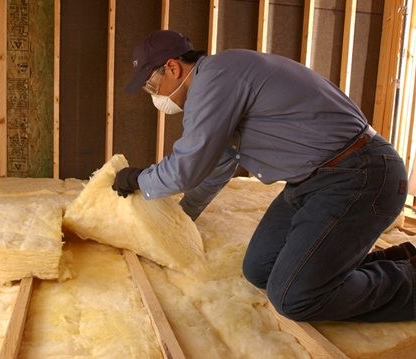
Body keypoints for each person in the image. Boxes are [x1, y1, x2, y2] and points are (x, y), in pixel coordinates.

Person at [111, 30, 413, 322]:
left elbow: (184, 170)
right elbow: (215, 170)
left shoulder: (215, 79)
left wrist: (137, 179)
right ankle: (398, 259)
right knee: (260, 269)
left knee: (294, 297)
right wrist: (180, 220)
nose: (154, 96)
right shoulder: (220, 80)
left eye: (151, 85)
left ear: (173, 68)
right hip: (314, 180)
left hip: (360, 175)